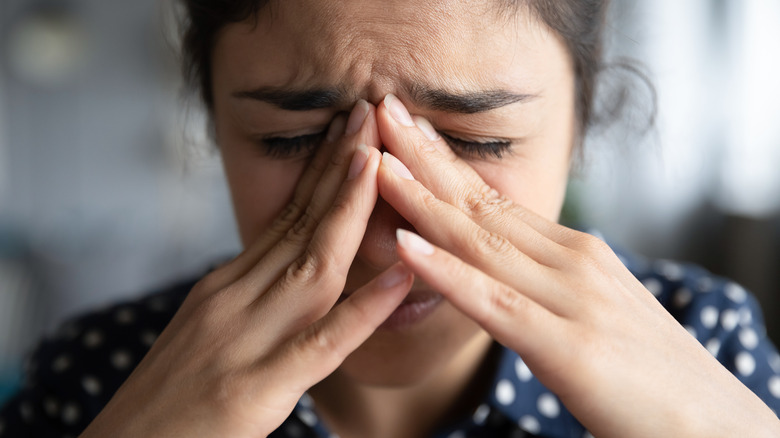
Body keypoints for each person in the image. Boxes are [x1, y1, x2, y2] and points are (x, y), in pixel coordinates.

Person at [1, 0, 779, 437]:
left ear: (578, 124)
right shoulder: (99, 378)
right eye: (294, 140)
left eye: (477, 141)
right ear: (213, 123)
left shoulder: (705, 345)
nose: (384, 237)